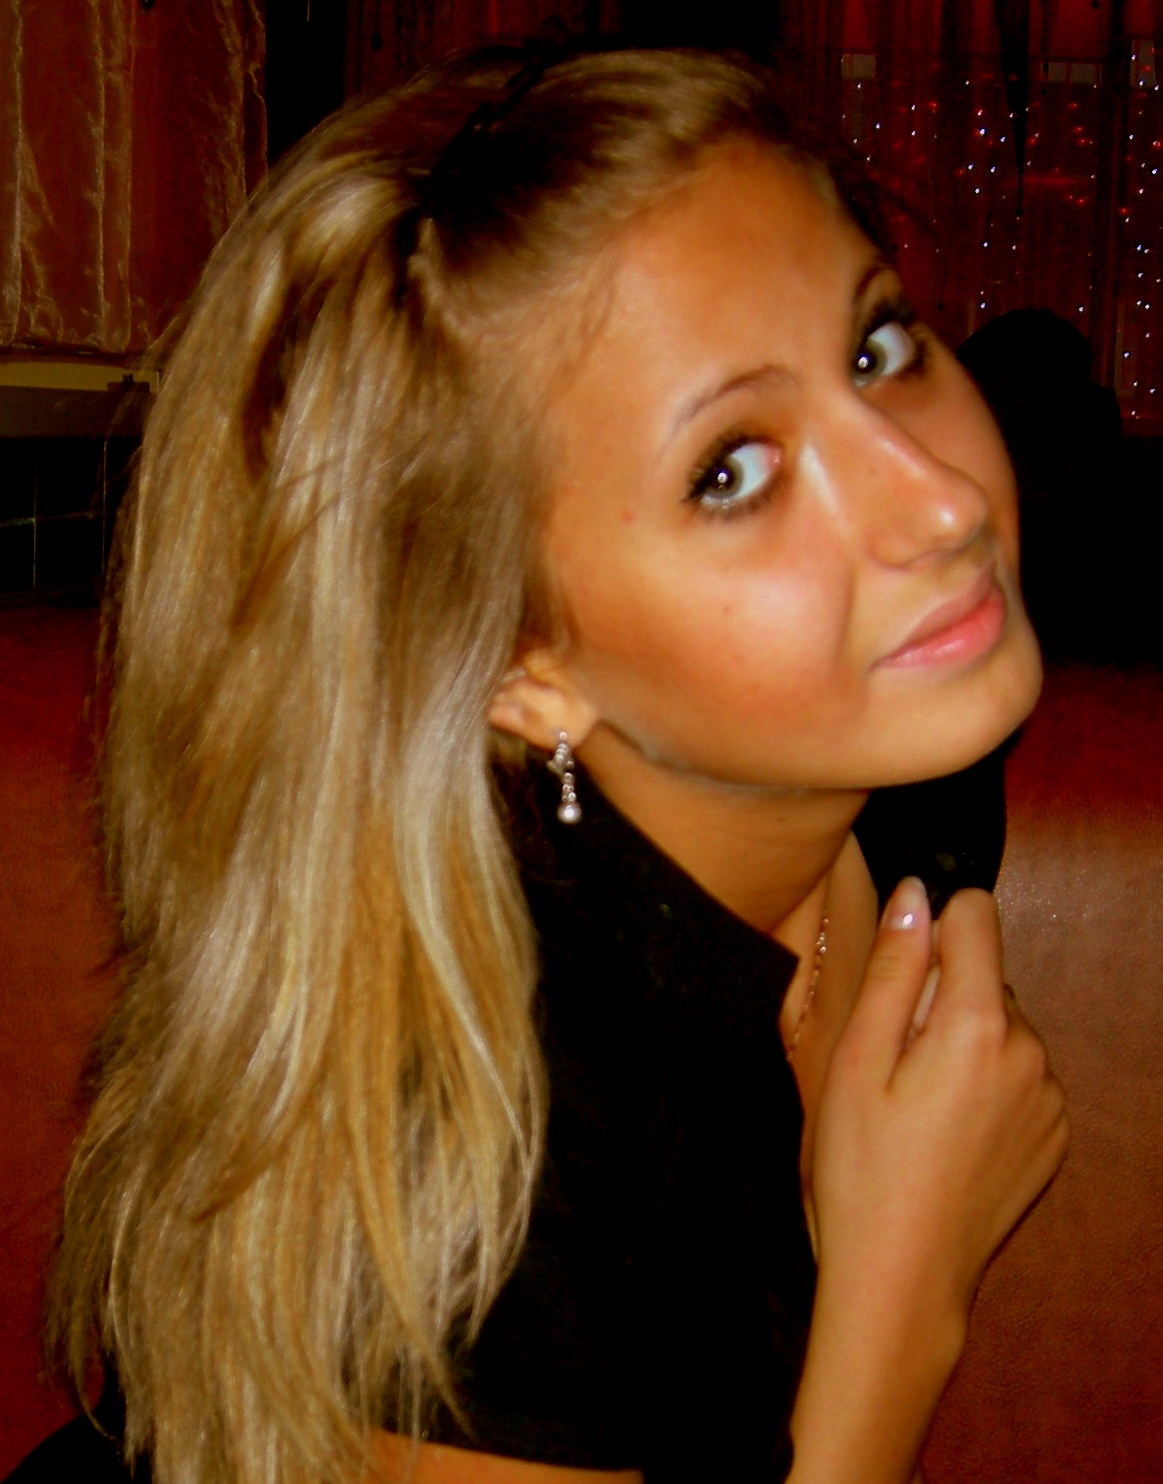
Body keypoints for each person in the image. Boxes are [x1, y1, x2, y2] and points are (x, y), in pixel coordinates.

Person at [21, 43, 1067, 1484]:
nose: (939, 500)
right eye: (734, 472)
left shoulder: (915, 767)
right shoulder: (465, 1149)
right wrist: (903, 1294)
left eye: (878, 348)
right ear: (523, 663)